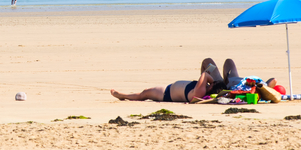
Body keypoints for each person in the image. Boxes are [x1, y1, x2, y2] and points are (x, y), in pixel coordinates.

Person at [110, 57, 278, 103]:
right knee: (226, 63)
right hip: (222, 84)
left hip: (168, 93)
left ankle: (123, 95)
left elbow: (203, 76)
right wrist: (210, 81)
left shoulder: (198, 93)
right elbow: (204, 76)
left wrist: (208, 79)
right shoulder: (202, 88)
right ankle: (124, 95)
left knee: (145, 93)